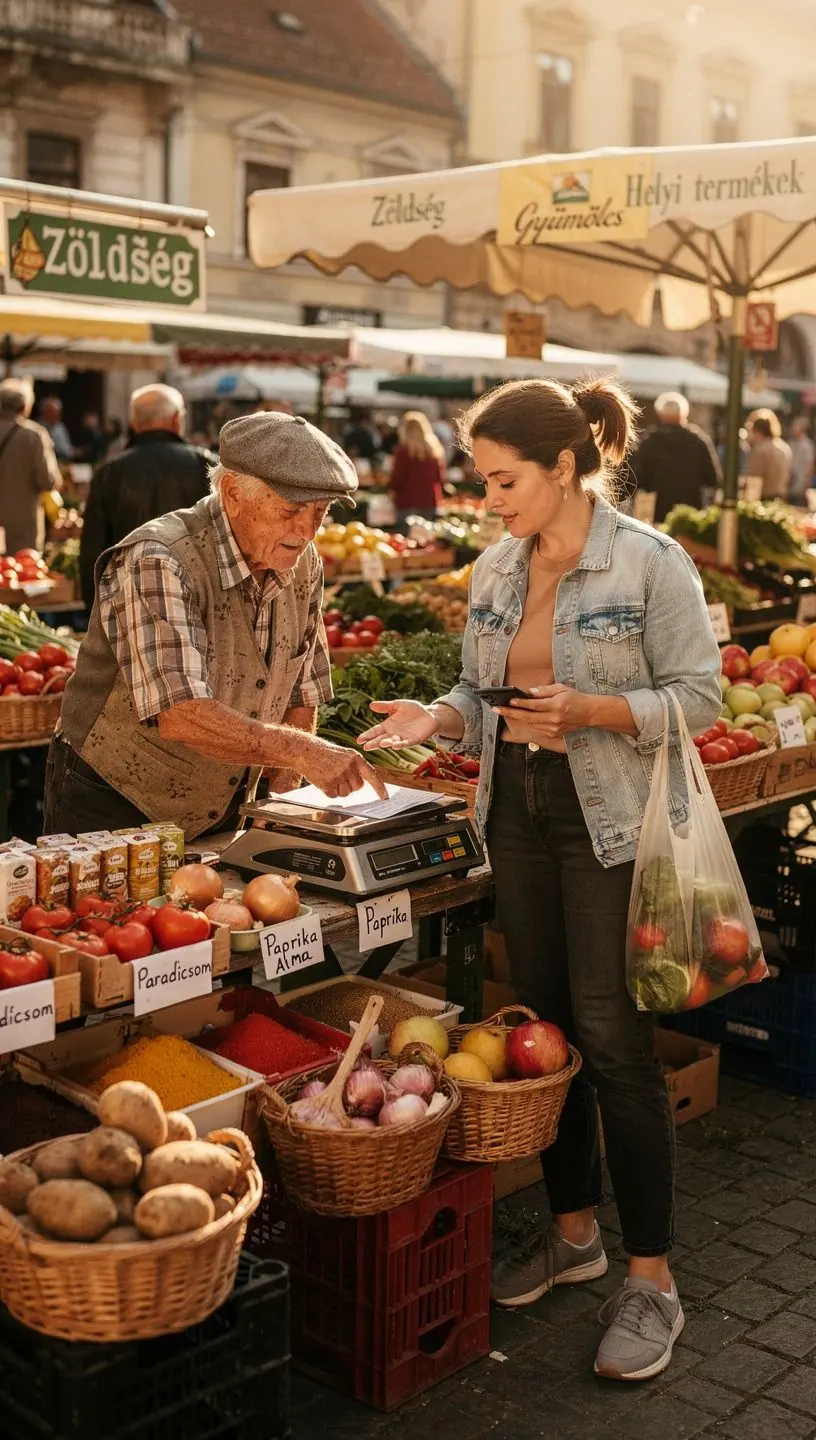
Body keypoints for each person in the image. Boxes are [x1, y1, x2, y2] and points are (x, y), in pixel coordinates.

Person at [358, 377, 721, 1384]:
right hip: (513, 807)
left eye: (504, 480)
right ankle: (573, 1236)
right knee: (544, 1027)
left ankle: (652, 1278)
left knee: (612, 1040)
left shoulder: (651, 564)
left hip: (607, 816)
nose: (489, 500)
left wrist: (595, 713)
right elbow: (481, 692)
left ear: (564, 467)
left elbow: (699, 694)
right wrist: (435, 719)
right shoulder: (494, 568)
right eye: (482, 480)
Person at [44, 411, 385, 839]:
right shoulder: (159, 558)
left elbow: (303, 686)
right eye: (291, 509)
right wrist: (300, 752)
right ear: (232, 493)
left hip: (225, 804)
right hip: (115, 800)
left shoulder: (303, 562)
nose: (307, 530)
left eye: (320, 512)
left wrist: (282, 792)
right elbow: (183, 714)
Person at [79, 385, 215, 610]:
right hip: (196, 598)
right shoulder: (204, 464)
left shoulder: (109, 472)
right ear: (176, 420)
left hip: (127, 600)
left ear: (134, 424)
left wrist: (93, 607)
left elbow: (93, 550)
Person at [629, 392, 721, 522]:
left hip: (657, 512)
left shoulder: (650, 442)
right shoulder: (698, 440)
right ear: (684, 415)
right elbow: (712, 478)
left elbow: (638, 479)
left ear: (660, 415)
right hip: (689, 512)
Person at [0, 378, 62, 554]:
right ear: (24, 407)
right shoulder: (33, 435)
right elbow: (47, 481)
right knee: (21, 572)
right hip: (22, 524)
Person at [389, 411, 446, 531]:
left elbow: (397, 478)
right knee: (427, 540)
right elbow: (440, 478)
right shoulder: (434, 451)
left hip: (406, 501)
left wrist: (390, 489)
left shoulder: (403, 452)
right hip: (429, 501)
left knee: (406, 541)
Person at [745, 410, 792, 500]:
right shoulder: (784, 447)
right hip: (782, 496)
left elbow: (754, 481)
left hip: (765, 499)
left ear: (756, 431)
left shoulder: (760, 450)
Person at [787, 417, 815, 504]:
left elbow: (810, 464)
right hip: (790, 483)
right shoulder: (790, 443)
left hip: (801, 483)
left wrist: (807, 481)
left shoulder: (808, 445)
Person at [38, 397, 73, 462]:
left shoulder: (61, 427)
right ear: (44, 412)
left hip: (63, 461)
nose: (57, 415)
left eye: (58, 412)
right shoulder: (37, 428)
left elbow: (67, 449)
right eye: (53, 412)